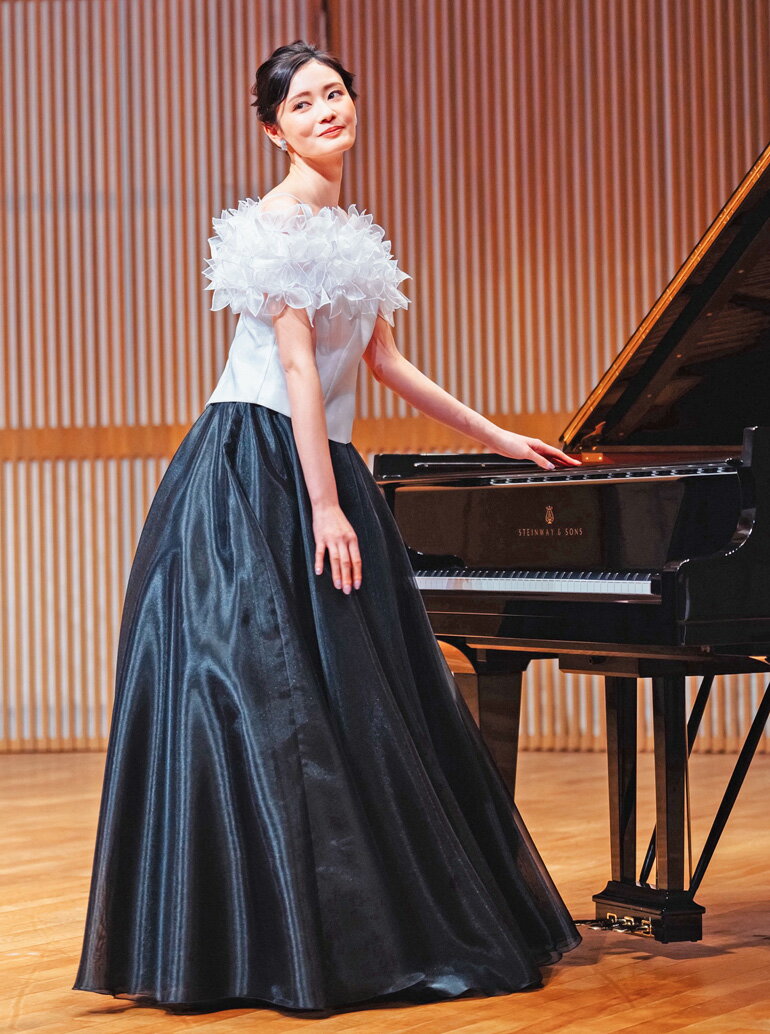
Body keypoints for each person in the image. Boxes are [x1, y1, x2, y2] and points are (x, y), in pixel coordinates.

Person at [72, 39, 583, 1017]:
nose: (325, 110)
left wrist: (499, 435)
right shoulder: (268, 224)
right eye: (302, 103)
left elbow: (383, 363)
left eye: (334, 94)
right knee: (265, 699)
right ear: (274, 129)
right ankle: (256, 943)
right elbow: (299, 367)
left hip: (318, 459)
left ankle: (349, 927)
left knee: (359, 696)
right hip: (250, 469)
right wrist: (322, 504)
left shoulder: (352, 230)